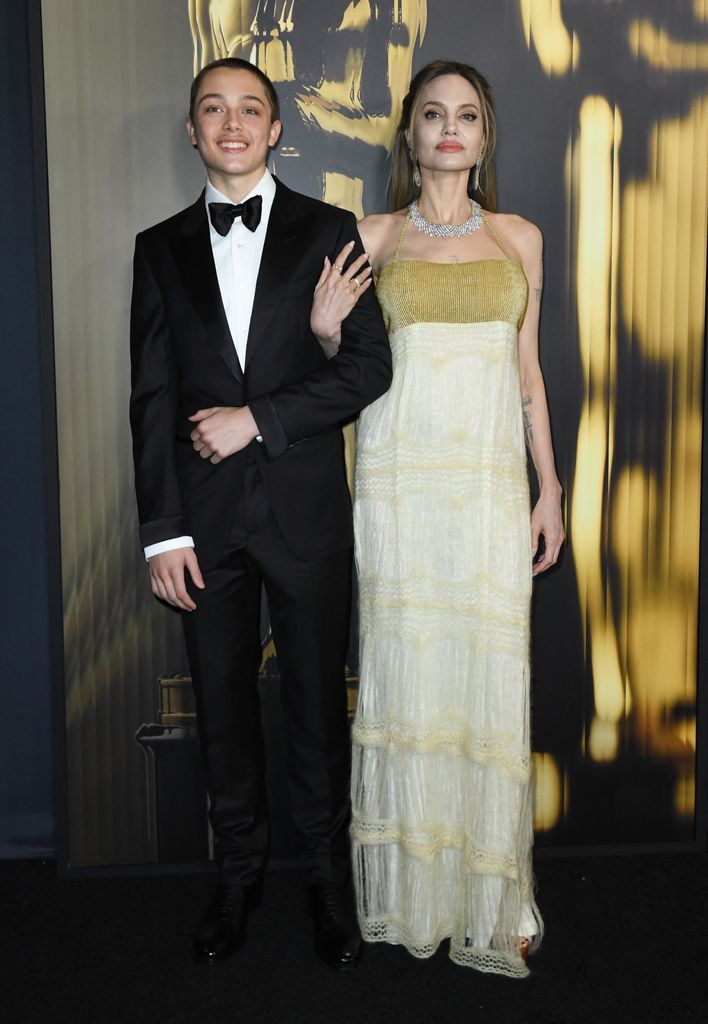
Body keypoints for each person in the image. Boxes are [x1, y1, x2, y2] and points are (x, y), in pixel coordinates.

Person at [129, 56, 392, 969]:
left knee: (320, 709)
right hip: (201, 529)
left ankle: (326, 884)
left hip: (306, 515)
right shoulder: (157, 247)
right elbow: (153, 400)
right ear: (193, 130)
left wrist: (258, 421)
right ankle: (237, 879)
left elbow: (367, 369)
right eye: (214, 108)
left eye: (251, 109)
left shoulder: (331, 229)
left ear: (277, 129)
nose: (232, 123)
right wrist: (162, 530)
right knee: (224, 711)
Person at [332, 59, 565, 977]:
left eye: (467, 115)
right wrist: (320, 330)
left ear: (485, 133)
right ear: (411, 133)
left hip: (488, 490)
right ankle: (407, 897)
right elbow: (339, 364)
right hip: (399, 488)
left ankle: (495, 896)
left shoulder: (520, 238)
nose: (450, 129)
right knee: (407, 677)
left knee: (486, 685)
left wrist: (548, 489)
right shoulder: (372, 235)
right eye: (433, 114)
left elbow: (530, 377)